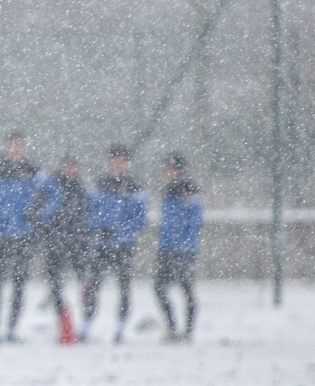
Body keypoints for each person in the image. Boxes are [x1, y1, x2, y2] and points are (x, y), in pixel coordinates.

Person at [0, 131, 61, 343]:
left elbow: (55, 193)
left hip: (24, 235)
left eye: (20, 146)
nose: (16, 150)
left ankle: (11, 329)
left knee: (19, 283)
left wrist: (39, 215)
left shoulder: (33, 170)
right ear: (5, 146)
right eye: (12, 146)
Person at [80, 144, 148, 344]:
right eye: (113, 161)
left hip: (124, 245)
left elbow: (140, 219)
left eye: (121, 161)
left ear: (127, 164)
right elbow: (90, 212)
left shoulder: (135, 188)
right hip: (101, 245)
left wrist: (119, 231)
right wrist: (98, 227)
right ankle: (86, 324)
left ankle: (120, 327)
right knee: (93, 286)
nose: (117, 165)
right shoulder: (100, 185)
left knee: (124, 286)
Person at [154, 152, 203, 342]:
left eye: (169, 168)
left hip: (183, 250)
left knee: (186, 288)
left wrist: (183, 245)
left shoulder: (190, 191)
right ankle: (173, 327)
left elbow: (194, 222)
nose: (166, 172)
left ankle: (188, 330)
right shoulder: (168, 191)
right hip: (167, 247)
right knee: (159, 288)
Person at [42, 155, 90, 341]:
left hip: (76, 244)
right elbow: (42, 213)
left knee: (84, 283)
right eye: (67, 166)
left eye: (73, 166)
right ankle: (62, 321)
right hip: (55, 244)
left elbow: (87, 216)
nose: (70, 170)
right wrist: (46, 233)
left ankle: (82, 324)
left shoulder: (81, 190)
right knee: (55, 285)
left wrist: (83, 239)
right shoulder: (52, 189)